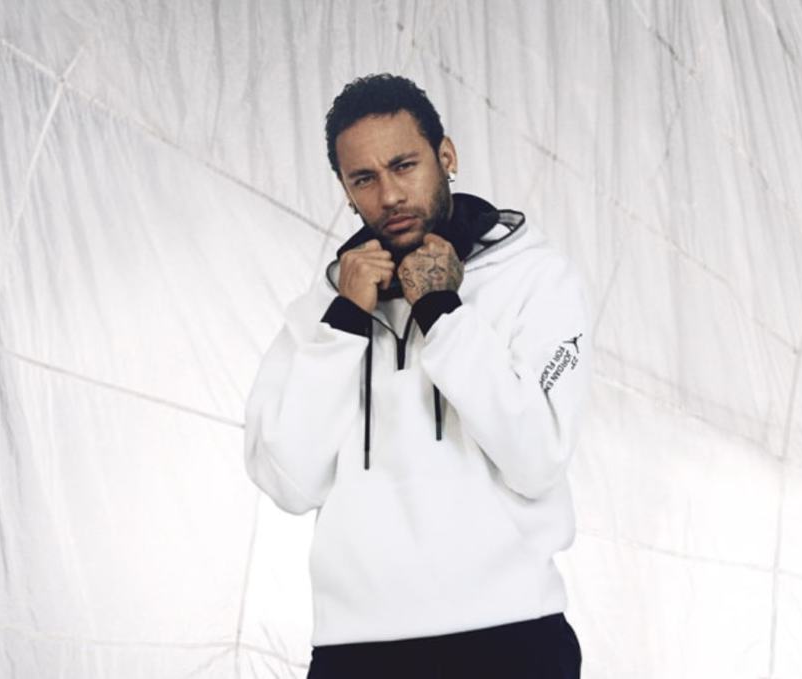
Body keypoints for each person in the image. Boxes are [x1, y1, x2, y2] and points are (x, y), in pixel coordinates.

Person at [244, 73, 591, 678]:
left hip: (512, 639)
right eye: (364, 179)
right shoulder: (324, 307)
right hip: (356, 651)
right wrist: (345, 322)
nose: (389, 195)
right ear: (345, 190)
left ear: (445, 156)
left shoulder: (534, 278)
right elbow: (288, 482)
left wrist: (441, 310)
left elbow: (537, 458)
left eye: (404, 165)